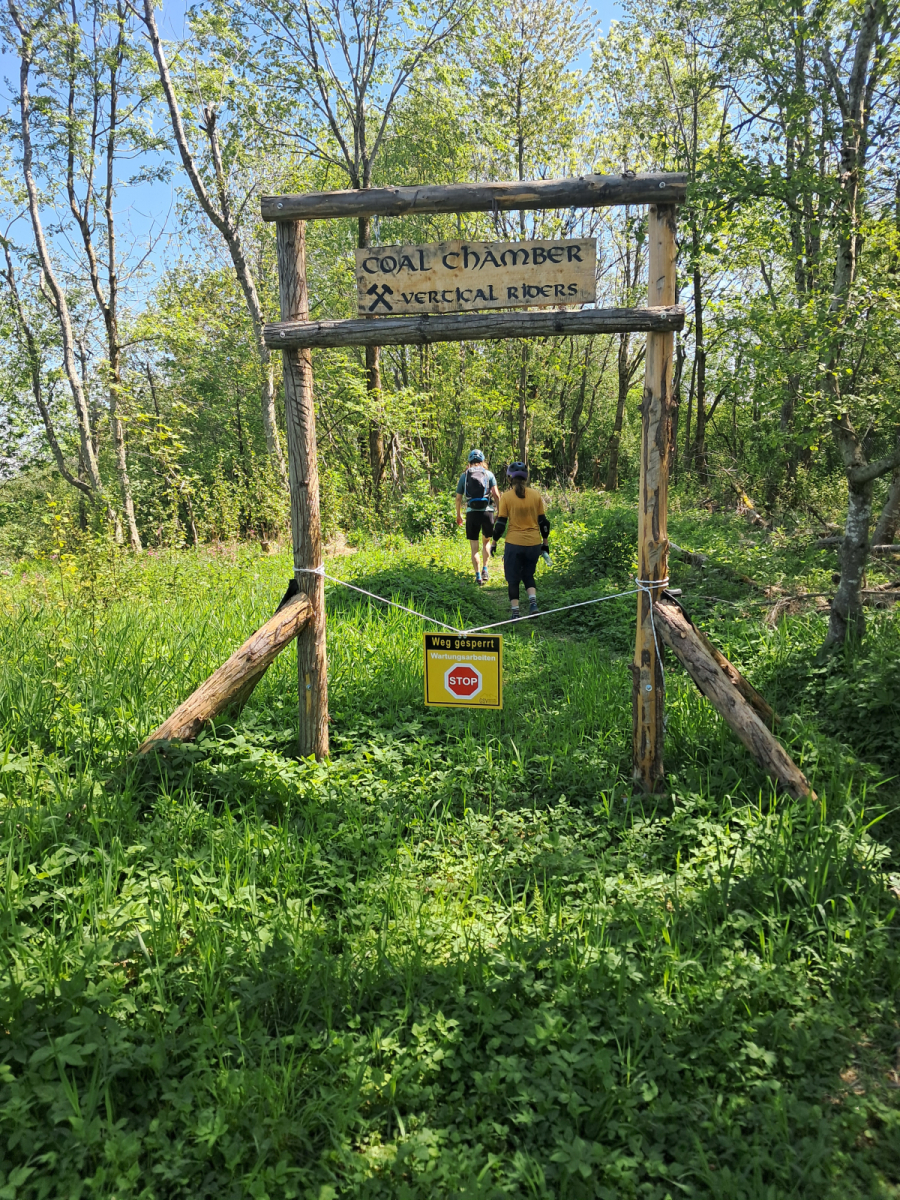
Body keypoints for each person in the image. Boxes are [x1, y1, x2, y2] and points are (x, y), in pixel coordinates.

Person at [489, 462, 550, 619]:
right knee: (528, 575)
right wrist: (545, 544)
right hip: (533, 544)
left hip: (514, 544)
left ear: (510, 479)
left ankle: (515, 613)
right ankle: (533, 604)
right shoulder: (536, 495)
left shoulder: (506, 497)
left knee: (513, 579)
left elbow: (501, 524)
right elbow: (544, 522)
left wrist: (494, 542)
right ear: (526, 478)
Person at [455, 449, 501, 585]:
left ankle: (478, 576)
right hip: (487, 512)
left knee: (474, 547)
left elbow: (458, 498)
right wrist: (500, 512)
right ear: (483, 461)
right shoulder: (489, 474)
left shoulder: (464, 476)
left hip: (472, 513)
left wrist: (459, 515)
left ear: (469, 462)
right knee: (486, 542)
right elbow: (496, 495)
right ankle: (485, 569)